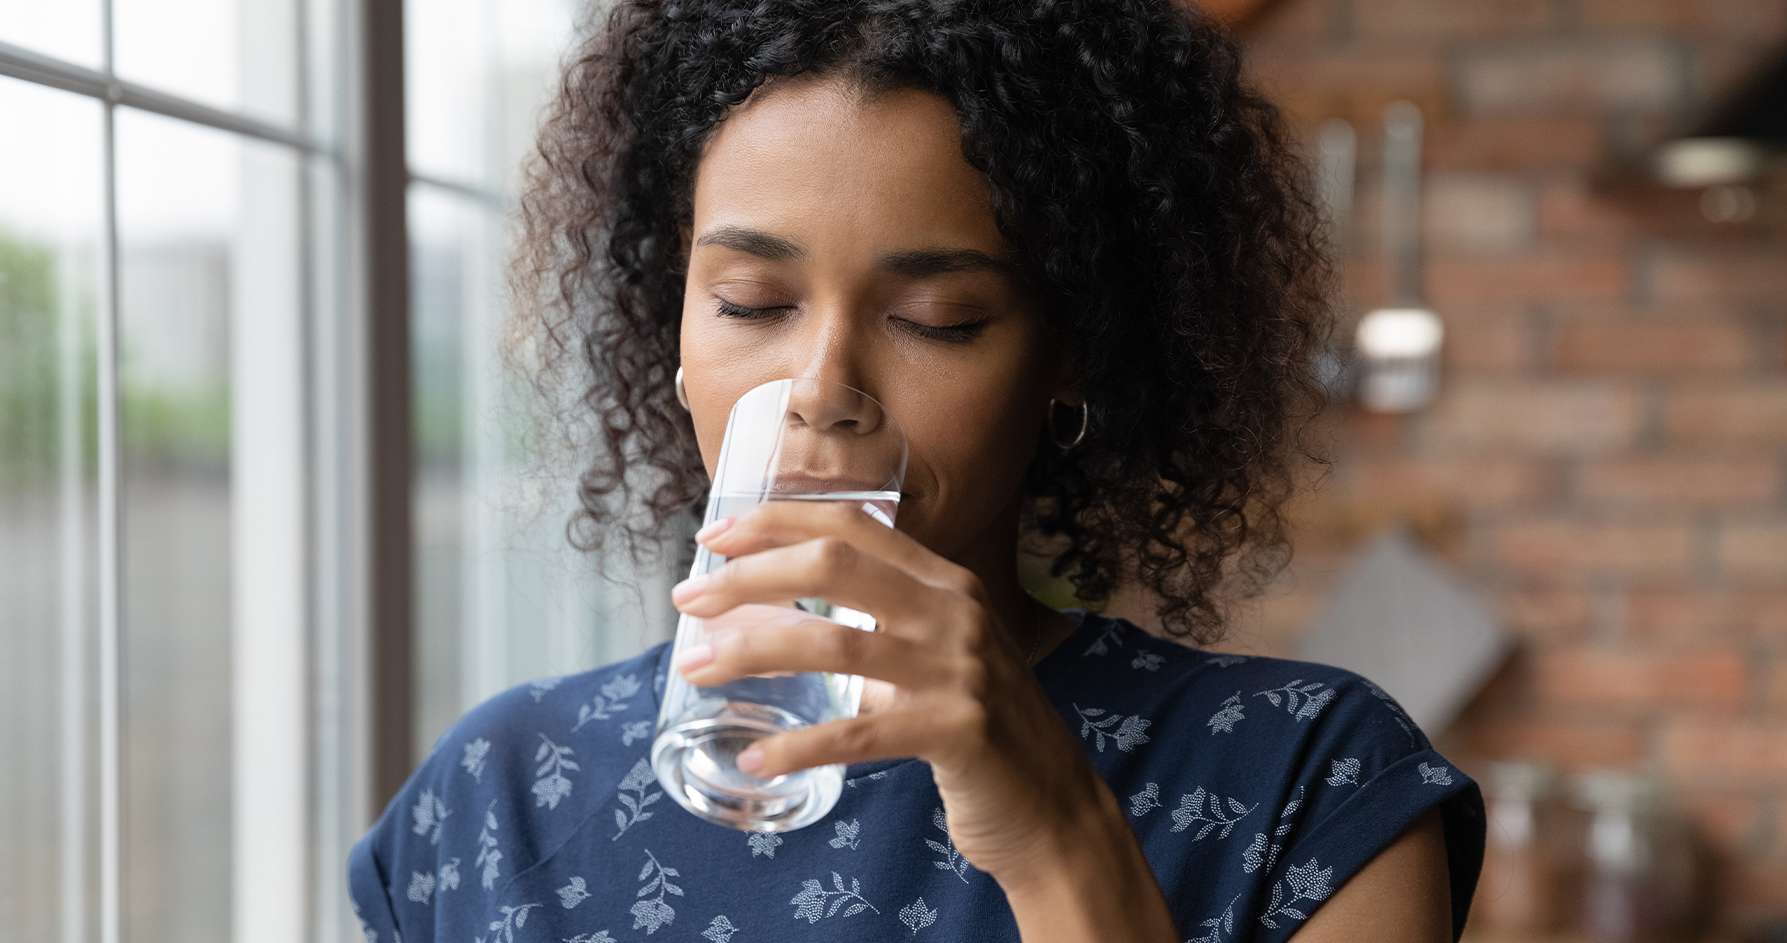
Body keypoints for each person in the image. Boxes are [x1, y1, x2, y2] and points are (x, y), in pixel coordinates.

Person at [349, 1, 1485, 941]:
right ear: (675, 335)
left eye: (937, 318)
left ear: (1065, 354)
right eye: (750, 303)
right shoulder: (494, 797)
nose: (818, 384)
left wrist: (1059, 846)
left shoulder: (1309, 790)